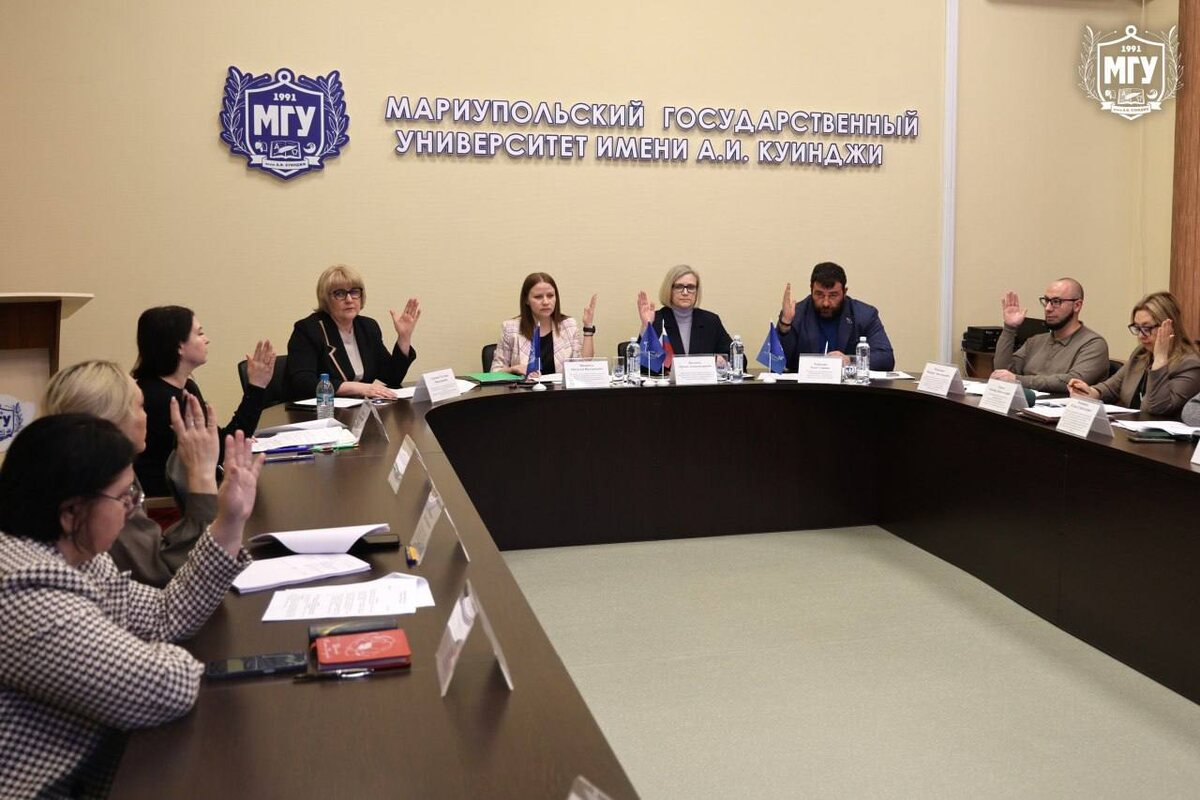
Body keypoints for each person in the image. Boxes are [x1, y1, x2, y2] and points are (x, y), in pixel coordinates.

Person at [0, 412, 259, 800]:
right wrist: (148, 656)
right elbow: (162, 687)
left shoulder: (80, 555)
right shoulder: (23, 589)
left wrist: (230, 522)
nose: (133, 506)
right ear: (70, 513)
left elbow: (162, 616)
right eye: (124, 497)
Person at [44, 360, 221, 587]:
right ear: (112, 420)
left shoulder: (84, 469)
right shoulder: (102, 491)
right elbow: (168, 577)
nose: (145, 416)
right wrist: (203, 475)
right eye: (140, 406)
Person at [132, 305, 274, 497]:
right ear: (179, 346)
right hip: (169, 503)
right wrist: (256, 387)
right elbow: (221, 450)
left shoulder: (186, 387)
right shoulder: (161, 399)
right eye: (199, 334)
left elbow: (217, 441)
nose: (206, 340)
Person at [287, 264, 420, 400]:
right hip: (323, 409)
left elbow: (392, 377)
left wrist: (404, 337)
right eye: (340, 293)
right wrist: (357, 388)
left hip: (360, 409)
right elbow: (303, 383)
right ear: (326, 299)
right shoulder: (309, 329)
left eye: (354, 292)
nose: (349, 299)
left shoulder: (367, 327)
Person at [1067, 292, 1200, 415]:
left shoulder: (1190, 364)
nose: (1141, 335)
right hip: (1130, 428)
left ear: (1169, 328)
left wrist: (1160, 360)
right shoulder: (1141, 354)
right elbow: (1112, 387)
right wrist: (1091, 392)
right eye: (1137, 328)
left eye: (1147, 328)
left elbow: (1157, 408)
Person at [992, 278, 1109, 393]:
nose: (1048, 308)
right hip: (1027, 403)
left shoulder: (1093, 344)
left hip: (1063, 405)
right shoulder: (1035, 341)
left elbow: (1073, 382)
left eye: (1056, 302)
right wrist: (1009, 328)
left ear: (1077, 305)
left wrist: (1019, 380)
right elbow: (1003, 373)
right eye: (1046, 301)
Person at [776, 262, 895, 370]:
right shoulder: (796, 314)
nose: (826, 303)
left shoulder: (864, 315)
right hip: (806, 386)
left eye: (833, 295)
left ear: (845, 292)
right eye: (819, 294)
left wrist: (850, 361)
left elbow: (886, 358)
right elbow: (775, 362)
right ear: (811, 290)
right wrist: (785, 324)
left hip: (849, 386)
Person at [492, 273, 596, 375]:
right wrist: (513, 369)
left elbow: (582, 366)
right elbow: (495, 371)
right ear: (526, 300)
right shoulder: (510, 328)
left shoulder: (568, 325)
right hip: (526, 386)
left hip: (560, 387)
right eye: (538, 297)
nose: (546, 302)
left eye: (550, 296)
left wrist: (588, 326)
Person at [635, 265, 733, 362]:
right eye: (679, 287)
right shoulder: (656, 320)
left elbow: (734, 356)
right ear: (669, 289)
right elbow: (638, 363)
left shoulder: (710, 321)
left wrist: (722, 360)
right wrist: (646, 327)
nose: (685, 292)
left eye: (691, 287)